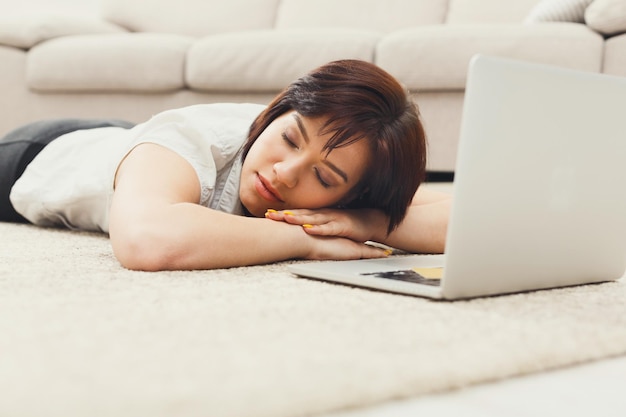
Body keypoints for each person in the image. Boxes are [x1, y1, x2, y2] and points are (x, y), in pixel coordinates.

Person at [0, 59, 451, 271]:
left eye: (323, 176)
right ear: (274, 113)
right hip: (39, 154)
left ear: (352, 192)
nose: (287, 172)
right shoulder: (195, 136)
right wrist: (306, 241)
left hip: (133, 146)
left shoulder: (355, 184)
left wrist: (362, 221)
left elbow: (468, 217)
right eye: (290, 138)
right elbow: (147, 242)